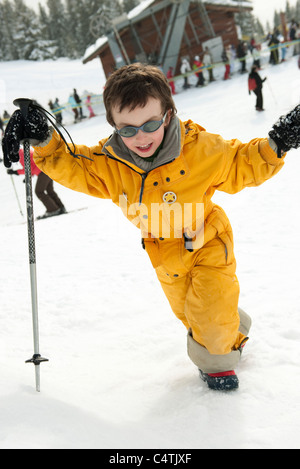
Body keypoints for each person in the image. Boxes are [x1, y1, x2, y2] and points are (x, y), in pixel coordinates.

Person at [2, 63, 300, 391]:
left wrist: (278, 141)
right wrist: (44, 139)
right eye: (127, 129)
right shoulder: (109, 163)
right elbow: (71, 165)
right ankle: (228, 322)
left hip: (207, 241)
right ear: (114, 126)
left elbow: (243, 162)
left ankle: (217, 364)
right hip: (163, 255)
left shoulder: (200, 149)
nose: (140, 137)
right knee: (190, 313)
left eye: (150, 124)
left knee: (211, 324)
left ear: (168, 115)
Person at [6, 148, 66, 219]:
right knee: (49, 190)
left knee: (39, 191)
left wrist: (15, 172)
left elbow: (29, 168)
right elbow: (33, 165)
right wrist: (28, 177)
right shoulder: (24, 151)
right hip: (46, 170)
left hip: (43, 172)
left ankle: (53, 209)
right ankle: (60, 207)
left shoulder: (22, 154)